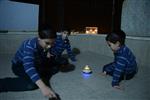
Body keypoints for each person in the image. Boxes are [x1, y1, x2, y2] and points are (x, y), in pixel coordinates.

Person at [0, 28, 61, 100]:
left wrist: (49, 52)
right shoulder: (29, 45)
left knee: (57, 64)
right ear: (39, 37)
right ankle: (2, 84)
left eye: (52, 43)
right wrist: (43, 87)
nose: (50, 46)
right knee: (32, 84)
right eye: (47, 43)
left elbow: (51, 48)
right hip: (20, 66)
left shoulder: (47, 42)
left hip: (37, 61)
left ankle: (41, 73)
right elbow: (28, 66)